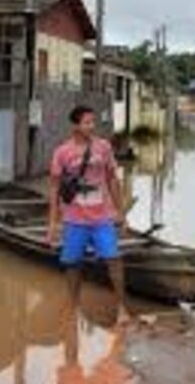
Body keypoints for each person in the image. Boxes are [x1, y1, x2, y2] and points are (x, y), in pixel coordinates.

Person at [48, 105, 131, 326]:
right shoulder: (62, 152)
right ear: (75, 125)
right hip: (74, 219)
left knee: (114, 259)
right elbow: (55, 188)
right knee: (73, 264)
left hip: (102, 217)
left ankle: (122, 307)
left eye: (93, 122)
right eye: (86, 122)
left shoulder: (103, 147)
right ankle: (74, 306)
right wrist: (53, 224)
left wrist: (120, 212)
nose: (91, 126)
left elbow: (113, 179)